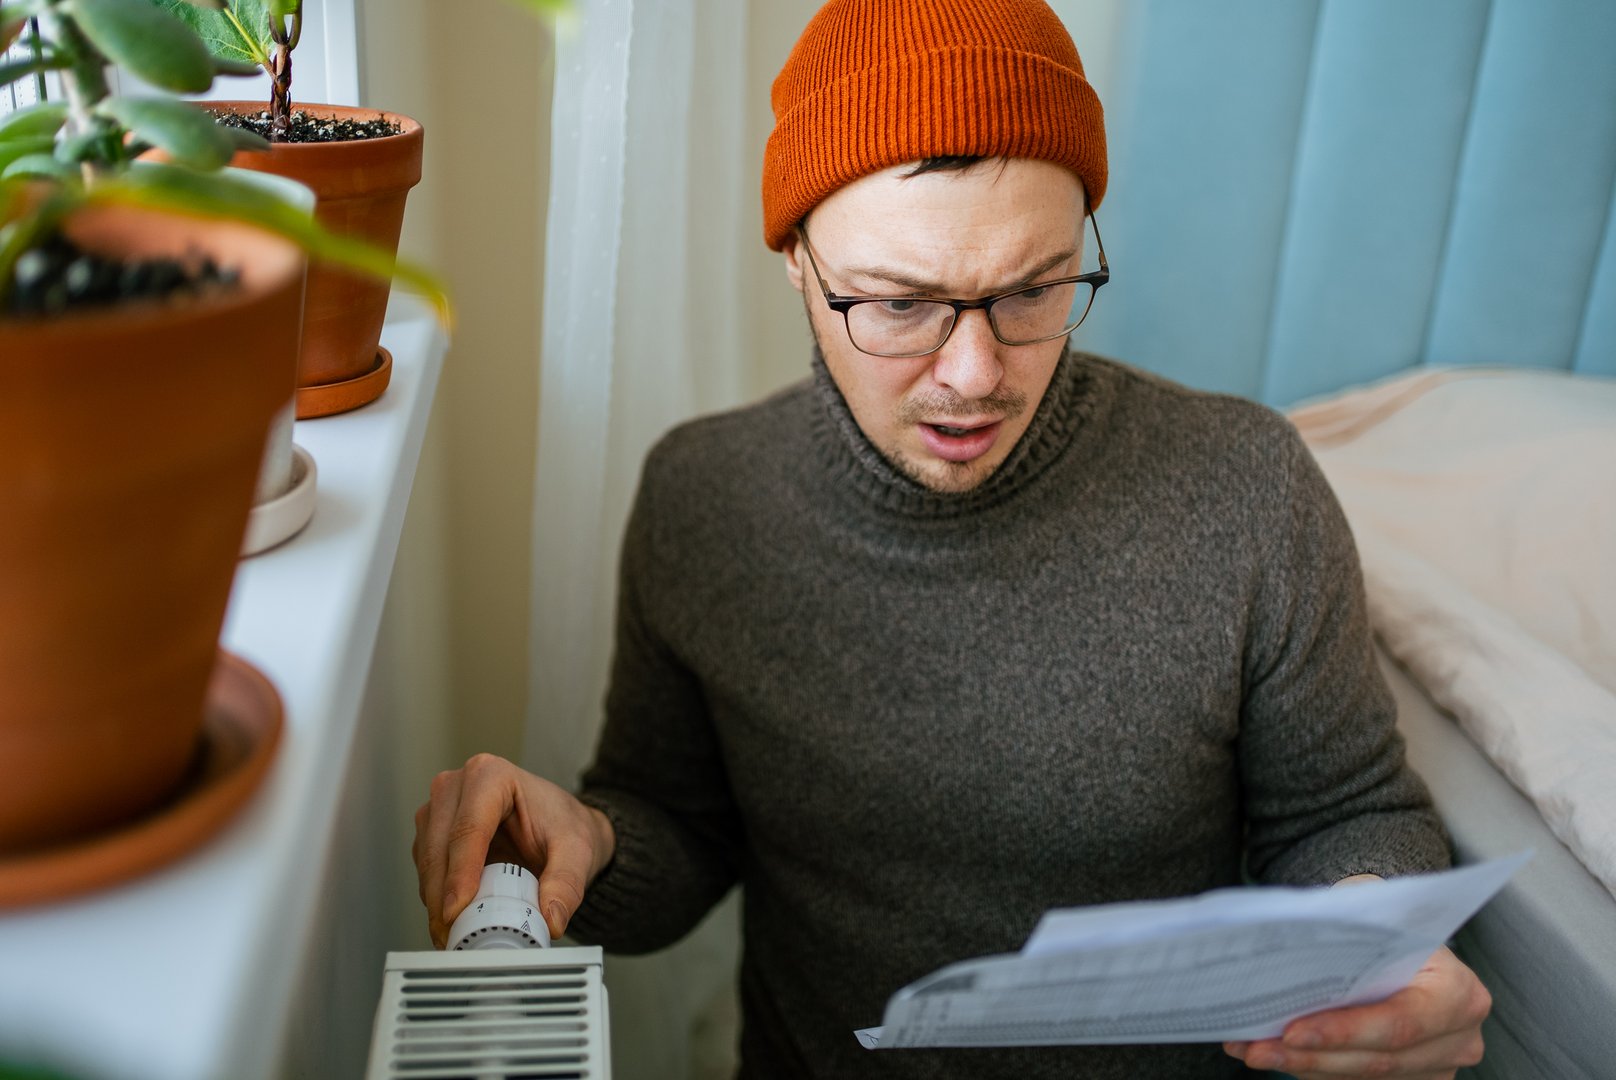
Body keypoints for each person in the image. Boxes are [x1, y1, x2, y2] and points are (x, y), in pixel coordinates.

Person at [413, 2, 1493, 1076]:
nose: (974, 375)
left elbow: (1346, 814)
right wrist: (589, 847)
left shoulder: (1247, 489)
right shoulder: (703, 499)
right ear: (797, 259)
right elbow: (683, 832)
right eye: (898, 305)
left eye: (1032, 289)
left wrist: (1373, 938)